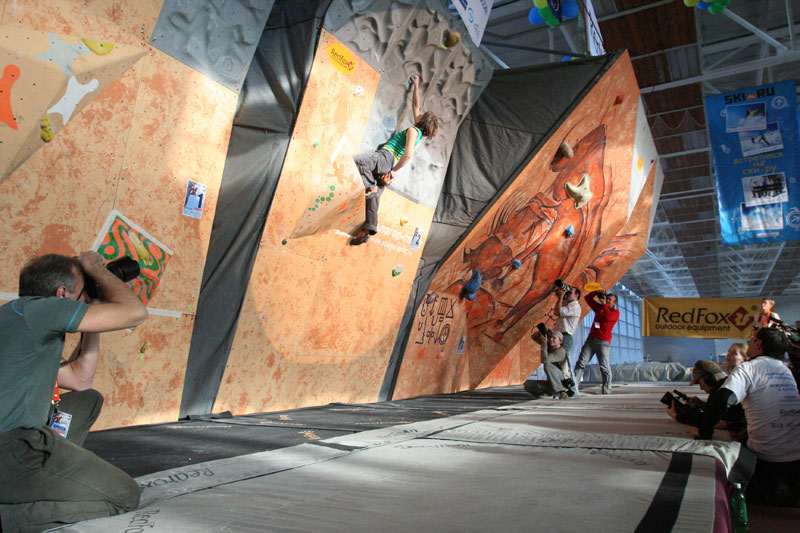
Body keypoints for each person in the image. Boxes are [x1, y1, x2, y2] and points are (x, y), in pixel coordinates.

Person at [0, 252, 149, 531]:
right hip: (11, 447)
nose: (86, 298)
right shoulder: (42, 309)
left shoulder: (21, 319)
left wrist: (94, 308)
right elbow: (136, 312)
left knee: (86, 400)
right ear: (61, 294)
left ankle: (50, 476)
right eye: (83, 291)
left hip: (15, 440)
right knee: (124, 495)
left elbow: (81, 380)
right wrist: (96, 270)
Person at [696, 327, 800, 506]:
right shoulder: (786, 371)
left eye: (751, 339)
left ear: (758, 344)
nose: (749, 343)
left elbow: (722, 400)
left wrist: (704, 434)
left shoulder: (748, 369)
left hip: (765, 457)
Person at [350, 74, 439, 245]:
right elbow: (415, 105)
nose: (419, 114)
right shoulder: (418, 133)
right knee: (374, 197)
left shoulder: (413, 131)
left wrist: (393, 171)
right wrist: (416, 85)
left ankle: (371, 187)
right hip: (387, 162)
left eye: (421, 115)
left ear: (422, 120)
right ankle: (369, 228)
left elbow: (408, 154)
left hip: (386, 157)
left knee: (360, 161)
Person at [665, 360, 747, 443]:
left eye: (700, 383)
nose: (701, 388)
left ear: (708, 379)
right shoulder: (728, 384)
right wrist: (703, 405)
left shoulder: (719, 391)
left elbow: (710, 422)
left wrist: (677, 416)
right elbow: (717, 413)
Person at [574, 290, 620, 394]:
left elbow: (607, 317)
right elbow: (587, 298)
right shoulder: (599, 308)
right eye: (607, 298)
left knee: (604, 367)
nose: (607, 300)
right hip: (591, 339)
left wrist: (604, 305)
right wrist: (596, 292)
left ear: (614, 303)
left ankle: (607, 389)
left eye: (610, 300)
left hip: (603, 342)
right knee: (581, 363)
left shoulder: (615, 313)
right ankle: (574, 388)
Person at [552, 285, 581, 396]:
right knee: (558, 365)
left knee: (565, 366)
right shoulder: (567, 304)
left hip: (566, 337)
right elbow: (558, 307)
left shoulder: (575, 306)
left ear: (577, 295)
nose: (567, 294)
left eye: (570, 292)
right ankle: (564, 390)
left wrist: (561, 297)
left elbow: (557, 312)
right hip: (560, 336)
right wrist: (561, 293)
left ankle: (573, 391)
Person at [524, 329, 570, 400]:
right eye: (550, 337)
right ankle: (551, 394)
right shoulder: (549, 348)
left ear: (560, 341)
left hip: (562, 382)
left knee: (547, 364)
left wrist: (544, 344)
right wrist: (543, 333)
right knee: (528, 385)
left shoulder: (561, 351)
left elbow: (545, 360)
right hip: (551, 383)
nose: (551, 339)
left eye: (554, 338)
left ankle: (561, 392)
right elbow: (534, 337)